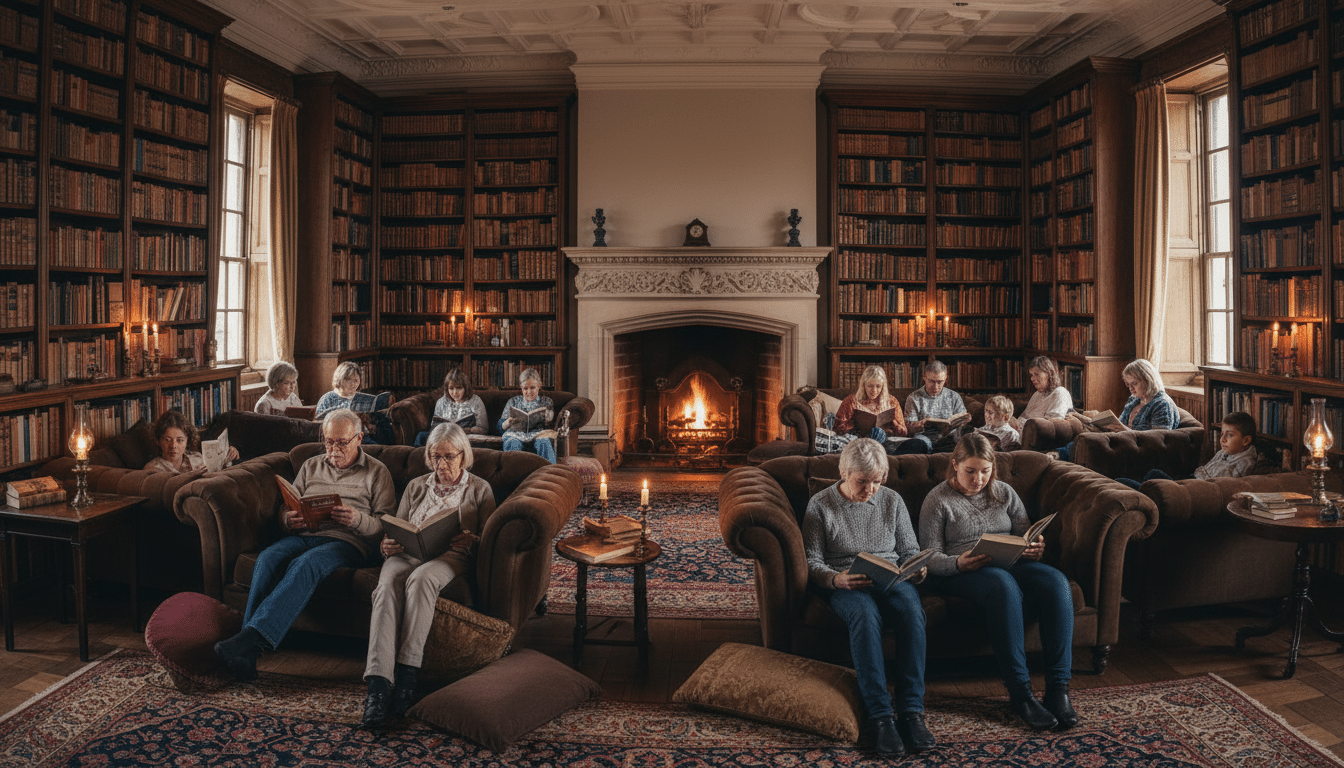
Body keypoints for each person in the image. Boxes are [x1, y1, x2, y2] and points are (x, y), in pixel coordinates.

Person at [214, 408, 396, 681]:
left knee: (306, 564)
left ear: (359, 439)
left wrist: (357, 519)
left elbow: (385, 525)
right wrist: (289, 520)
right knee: (267, 558)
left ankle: (248, 640)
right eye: (329, 441)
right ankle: (247, 654)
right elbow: (287, 508)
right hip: (304, 534)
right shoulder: (311, 465)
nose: (334, 449)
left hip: (347, 540)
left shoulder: (378, 472)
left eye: (342, 443)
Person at [918, 433, 1077, 731]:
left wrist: (1034, 548)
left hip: (1009, 563)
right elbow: (928, 557)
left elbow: (1023, 533)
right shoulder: (937, 499)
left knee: (1057, 582)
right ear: (955, 465)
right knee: (1003, 585)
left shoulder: (1004, 492)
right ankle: (1021, 694)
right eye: (970, 471)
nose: (978, 479)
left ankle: (1058, 689)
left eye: (985, 471)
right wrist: (958, 563)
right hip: (960, 572)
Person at [802, 438, 934, 757]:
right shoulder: (821, 504)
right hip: (847, 582)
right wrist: (835, 579)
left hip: (890, 577)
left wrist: (916, 569)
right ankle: (881, 716)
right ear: (844, 473)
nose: (870, 490)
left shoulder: (891, 500)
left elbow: (909, 549)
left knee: (912, 611)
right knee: (864, 615)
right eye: (863, 481)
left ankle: (912, 712)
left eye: (877, 481)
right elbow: (811, 560)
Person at [362, 422, 493, 727]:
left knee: (421, 579)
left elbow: (489, 539)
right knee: (386, 586)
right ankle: (378, 686)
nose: (441, 464)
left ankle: (407, 677)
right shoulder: (416, 486)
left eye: (449, 457)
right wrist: (387, 544)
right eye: (435, 456)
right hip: (409, 553)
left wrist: (472, 541)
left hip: (451, 556)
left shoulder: (479, 489)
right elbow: (398, 527)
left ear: (463, 456)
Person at [1049, 359, 1179, 463]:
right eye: (1128, 384)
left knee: (1093, 442)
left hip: (1138, 454)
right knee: (1087, 436)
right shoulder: (1134, 400)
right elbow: (1118, 424)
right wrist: (1085, 419)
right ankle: (1059, 455)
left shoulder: (1162, 404)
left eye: (1134, 383)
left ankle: (1060, 456)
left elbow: (1158, 443)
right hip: (1122, 442)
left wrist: (1124, 430)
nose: (1131, 389)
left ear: (1148, 379)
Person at [1116, 411, 1259, 489]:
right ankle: (1137, 491)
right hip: (1191, 480)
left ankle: (1136, 492)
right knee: (1153, 474)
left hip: (1195, 489)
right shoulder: (1224, 452)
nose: (1223, 439)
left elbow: (1224, 486)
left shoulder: (1245, 462)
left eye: (1230, 435)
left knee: (1143, 481)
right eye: (1222, 434)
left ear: (1246, 441)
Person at [832, 365, 931, 455]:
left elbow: (903, 433)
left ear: (883, 386)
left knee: (919, 444)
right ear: (863, 385)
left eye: (878, 386)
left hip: (887, 442)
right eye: (870, 386)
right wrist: (855, 425)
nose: (874, 390)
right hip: (861, 441)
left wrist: (894, 423)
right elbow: (837, 427)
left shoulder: (892, 401)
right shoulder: (851, 401)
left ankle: (886, 455)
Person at [144, 410, 237, 474]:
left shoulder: (197, 458)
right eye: (167, 440)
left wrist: (228, 456)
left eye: (180, 440)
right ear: (158, 441)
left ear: (187, 440)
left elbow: (218, 474)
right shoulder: (152, 468)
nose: (173, 445)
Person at [904, 360, 969, 450]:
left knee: (965, 437)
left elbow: (962, 422)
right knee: (919, 443)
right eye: (931, 381)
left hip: (949, 438)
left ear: (946, 378)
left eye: (939, 382)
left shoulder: (954, 396)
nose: (935, 387)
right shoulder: (913, 398)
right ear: (924, 377)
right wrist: (920, 425)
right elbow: (909, 429)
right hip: (924, 437)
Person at [414, 368, 488, 447]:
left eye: (459, 388)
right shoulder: (441, 402)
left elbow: (484, 429)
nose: (455, 392)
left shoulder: (476, 401)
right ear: (447, 389)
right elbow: (433, 427)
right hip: (443, 436)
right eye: (451, 388)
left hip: (464, 437)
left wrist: (466, 430)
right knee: (421, 436)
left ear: (465, 388)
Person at [497, 368, 557, 464]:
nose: (529, 392)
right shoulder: (513, 401)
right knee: (512, 443)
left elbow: (551, 423)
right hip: (516, 434)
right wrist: (507, 423)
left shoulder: (546, 401)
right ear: (521, 387)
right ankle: (511, 471)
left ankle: (550, 470)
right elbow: (500, 426)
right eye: (525, 388)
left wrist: (548, 417)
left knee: (544, 442)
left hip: (538, 434)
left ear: (539, 385)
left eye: (532, 387)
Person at [1010, 356, 1074, 432]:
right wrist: (1013, 421)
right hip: (1022, 430)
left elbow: (1053, 424)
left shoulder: (1060, 392)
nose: (1032, 379)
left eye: (1036, 374)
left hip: (1036, 433)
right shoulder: (1037, 394)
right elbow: (1024, 417)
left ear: (1048, 374)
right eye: (1031, 375)